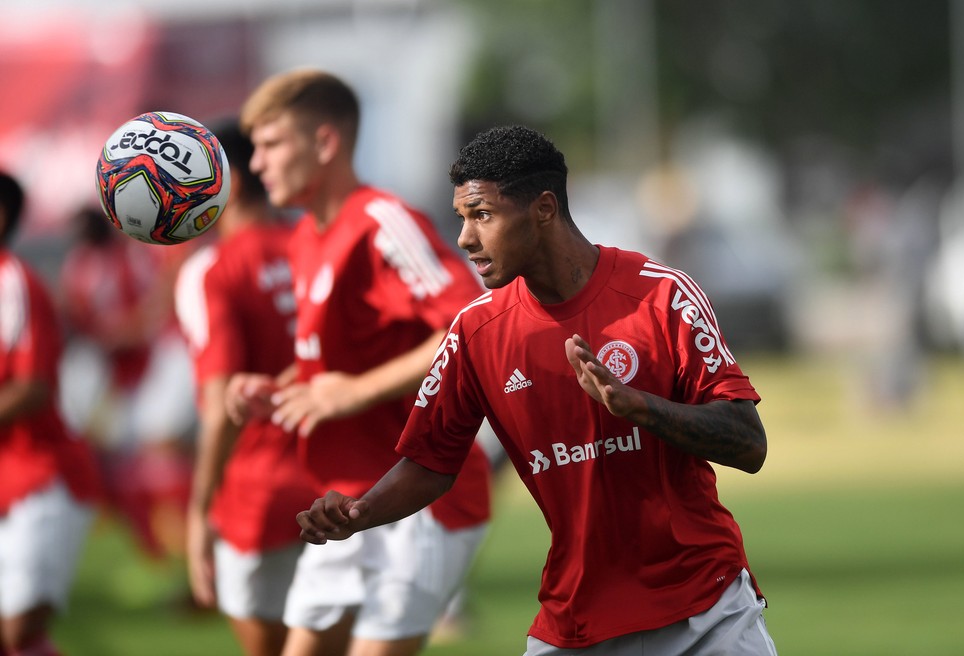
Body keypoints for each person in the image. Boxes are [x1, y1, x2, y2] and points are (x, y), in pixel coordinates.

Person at [297, 125, 779, 656]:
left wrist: (640, 407)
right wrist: (361, 513)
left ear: (543, 208)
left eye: (482, 215)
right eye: (462, 218)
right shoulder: (475, 332)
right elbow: (430, 463)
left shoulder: (661, 296)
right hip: (577, 624)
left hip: (705, 614)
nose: (465, 238)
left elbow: (748, 441)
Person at [228, 69, 492, 656]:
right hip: (342, 502)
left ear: (324, 143)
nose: (256, 163)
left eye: (271, 145)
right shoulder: (303, 238)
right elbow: (332, 367)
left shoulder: (379, 220)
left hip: (419, 498)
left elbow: (468, 322)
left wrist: (354, 392)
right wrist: (271, 389)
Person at [173, 121, 320, 656]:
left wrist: (198, 515)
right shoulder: (317, 242)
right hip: (347, 480)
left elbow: (220, 408)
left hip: (259, 493)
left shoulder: (216, 269)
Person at [57, 204, 198, 564]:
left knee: (160, 442)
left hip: (160, 357)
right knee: (122, 447)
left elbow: (156, 304)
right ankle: (156, 535)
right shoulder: (78, 266)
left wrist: (127, 332)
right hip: (115, 367)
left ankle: (186, 528)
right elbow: (74, 313)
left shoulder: (137, 255)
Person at [0, 170, 102, 655]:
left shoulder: (13, 284)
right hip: (8, 477)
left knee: (20, 633)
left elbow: (32, 390)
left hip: (42, 477)